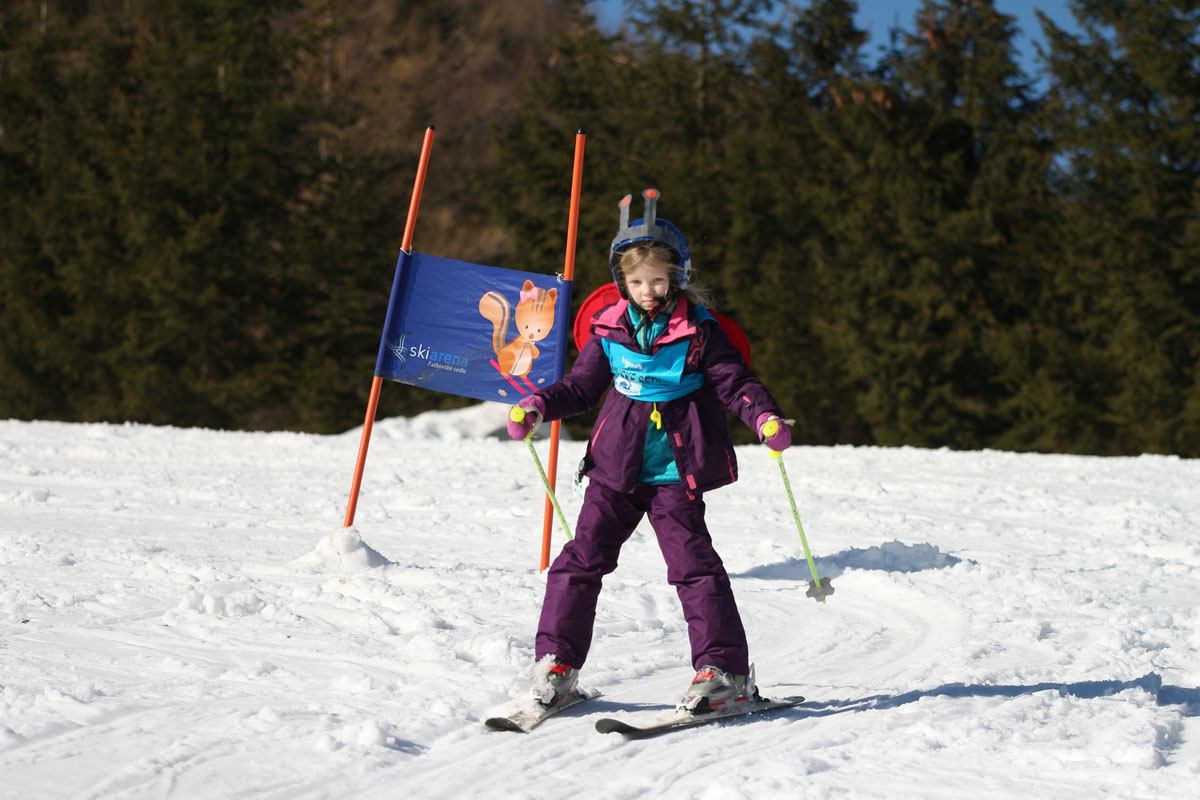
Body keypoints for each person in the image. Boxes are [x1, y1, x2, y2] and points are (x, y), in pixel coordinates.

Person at [506, 189, 792, 714]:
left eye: (658, 280)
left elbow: (734, 382)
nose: (647, 291)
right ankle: (557, 664)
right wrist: (538, 405)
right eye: (636, 282)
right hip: (615, 468)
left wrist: (764, 417)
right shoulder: (609, 327)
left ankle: (723, 672)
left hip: (676, 471)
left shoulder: (699, 331)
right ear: (621, 282)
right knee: (580, 561)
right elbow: (582, 386)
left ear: (677, 277)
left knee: (694, 567)